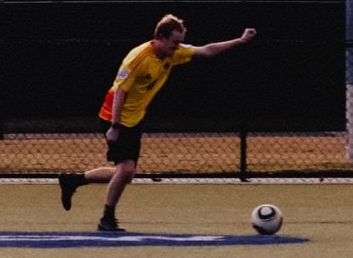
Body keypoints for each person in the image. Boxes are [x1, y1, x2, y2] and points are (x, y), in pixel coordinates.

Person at [58, 14, 257, 232]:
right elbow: (120, 93)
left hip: (134, 118)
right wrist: (114, 127)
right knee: (125, 169)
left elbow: (206, 50)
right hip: (114, 116)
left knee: (127, 173)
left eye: (179, 42)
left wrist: (240, 41)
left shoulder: (172, 53)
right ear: (160, 38)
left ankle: (73, 181)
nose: (177, 47)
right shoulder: (138, 58)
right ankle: (106, 219)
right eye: (174, 42)